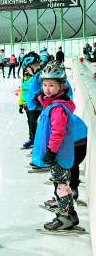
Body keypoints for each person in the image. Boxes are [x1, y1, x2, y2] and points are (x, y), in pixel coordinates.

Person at [31, 61, 79, 230]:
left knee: (60, 186)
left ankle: (64, 217)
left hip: (59, 154)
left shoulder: (58, 108)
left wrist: (51, 151)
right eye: (45, 85)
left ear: (61, 86)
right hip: (61, 153)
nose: (47, 89)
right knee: (62, 185)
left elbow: (57, 133)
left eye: (52, 85)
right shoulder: (53, 104)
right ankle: (71, 214)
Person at [44, 115, 87, 209]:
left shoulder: (55, 114)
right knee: (74, 165)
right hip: (82, 142)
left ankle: (62, 201)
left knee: (61, 171)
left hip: (74, 143)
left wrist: (50, 152)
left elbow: (55, 135)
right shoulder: (66, 112)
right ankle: (73, 190)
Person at [21, 52, 41, 149]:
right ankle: (34, 141)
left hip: (37, 107)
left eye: (27, 68)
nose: (27, 71)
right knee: (32, 124)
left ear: (31, 66)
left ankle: (38, 145)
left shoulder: (39, 76)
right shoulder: (35, 76)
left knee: (37, 126)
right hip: (31, 106)